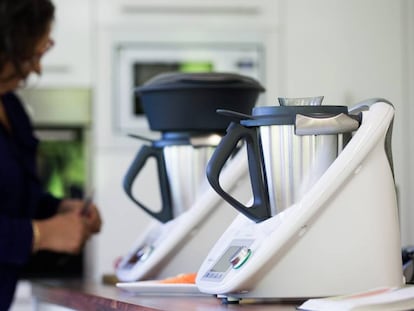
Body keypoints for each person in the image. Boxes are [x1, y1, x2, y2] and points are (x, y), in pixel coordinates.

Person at [0, 0, 102, 309]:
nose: (37, 68)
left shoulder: (13, 109)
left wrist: (58, 209)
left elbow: (16, 197)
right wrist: (41, 234)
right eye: (30, 54)